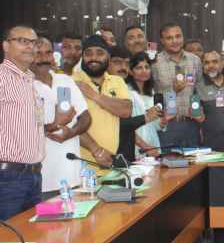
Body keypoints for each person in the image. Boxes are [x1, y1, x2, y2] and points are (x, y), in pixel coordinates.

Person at [32, 36, 91, 199]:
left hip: (72, 177)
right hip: (41, 182)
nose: (44, 58)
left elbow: (85, 117)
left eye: (48, 52)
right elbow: (20, 131)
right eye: (38, 53)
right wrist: (53, 126)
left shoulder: (65, 80)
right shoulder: (24, 85)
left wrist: (72, 133)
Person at [0, 25, 48, 219]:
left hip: (34, 174)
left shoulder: (29, 81)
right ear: (5, 45)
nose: (30, 47)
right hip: (7, 178)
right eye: (22, 41)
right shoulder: (2, 77)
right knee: (7, 235)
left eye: (34, 43)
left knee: (31, 234)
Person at [73, 36, 132, 171]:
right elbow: (70, 124)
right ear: (82, 57)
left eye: (100, 53)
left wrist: (94, 95)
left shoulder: (117, 81)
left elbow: (126, 110)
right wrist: (96, 150)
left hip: (109, 164)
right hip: (81, 166)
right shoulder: (71, 82)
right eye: (88, 53)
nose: (93, 58)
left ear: (109, 57)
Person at [151, 23, 203, 148]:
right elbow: (151, 94)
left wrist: (199, 113)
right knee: (168, 159)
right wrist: (172, 90)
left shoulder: (195, 60)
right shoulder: (155, 62)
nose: (175, 41)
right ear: (162, 41)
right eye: (169, 38)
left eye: (178, 36)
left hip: (191, 123)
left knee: (194, 159)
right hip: (167, 125)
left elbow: (198, 90)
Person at [126, 51, 167, 158]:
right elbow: (125, 125)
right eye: (139, 68)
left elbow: (154, 125)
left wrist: (162, 123)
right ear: (131, 71)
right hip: (134, 145)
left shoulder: (152, 93)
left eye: (147, 67)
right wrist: (144, 146)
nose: (144, 71)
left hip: (152, 144)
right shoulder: (126, 91)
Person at [196, 51, 224, 152]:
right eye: (206, 63)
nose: (211, 66)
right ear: (203, 66)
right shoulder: (198, 86)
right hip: (211, 144)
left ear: (222, 64)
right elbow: (196, 112)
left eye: (215, 62)